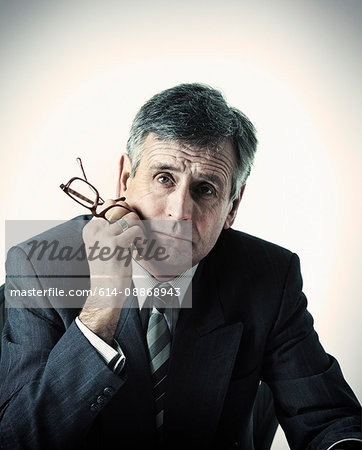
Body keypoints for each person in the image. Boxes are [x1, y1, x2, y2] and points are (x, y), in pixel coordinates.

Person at [0, 83, 361, 450]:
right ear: (125, 180)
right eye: (164, 178)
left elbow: (329, 420)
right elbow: (16, 438)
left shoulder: (270, 276)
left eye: (205, 189)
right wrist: (99, 314)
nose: (179, 214)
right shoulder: (39, 266)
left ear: (232, 207)